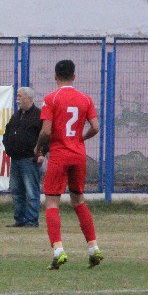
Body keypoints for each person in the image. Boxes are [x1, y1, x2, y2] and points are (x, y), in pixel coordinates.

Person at [34, 59, 104, 269]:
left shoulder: (50, 99)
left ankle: (58, 250)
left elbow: (46, 131)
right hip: (78, 155)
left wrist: (38, 149)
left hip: (59, 155)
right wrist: (80, 139)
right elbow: (95, 127)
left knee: (52, 203)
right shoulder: (85, 99)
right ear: (74, 76)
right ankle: (93, 248)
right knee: (79, 200)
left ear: (56, 77)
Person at [3, 86, 43, 227]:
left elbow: (46, 136)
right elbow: (7, 132)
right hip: (16, 159)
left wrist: (42, 153)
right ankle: (19, 219)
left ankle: (32, 220)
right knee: (17, 191)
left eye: (20, 96)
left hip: (29, 159)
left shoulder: (39, 115)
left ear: (28, 98)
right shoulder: (16, 116)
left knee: (31, 191)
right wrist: (8, 146)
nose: (17, 99)